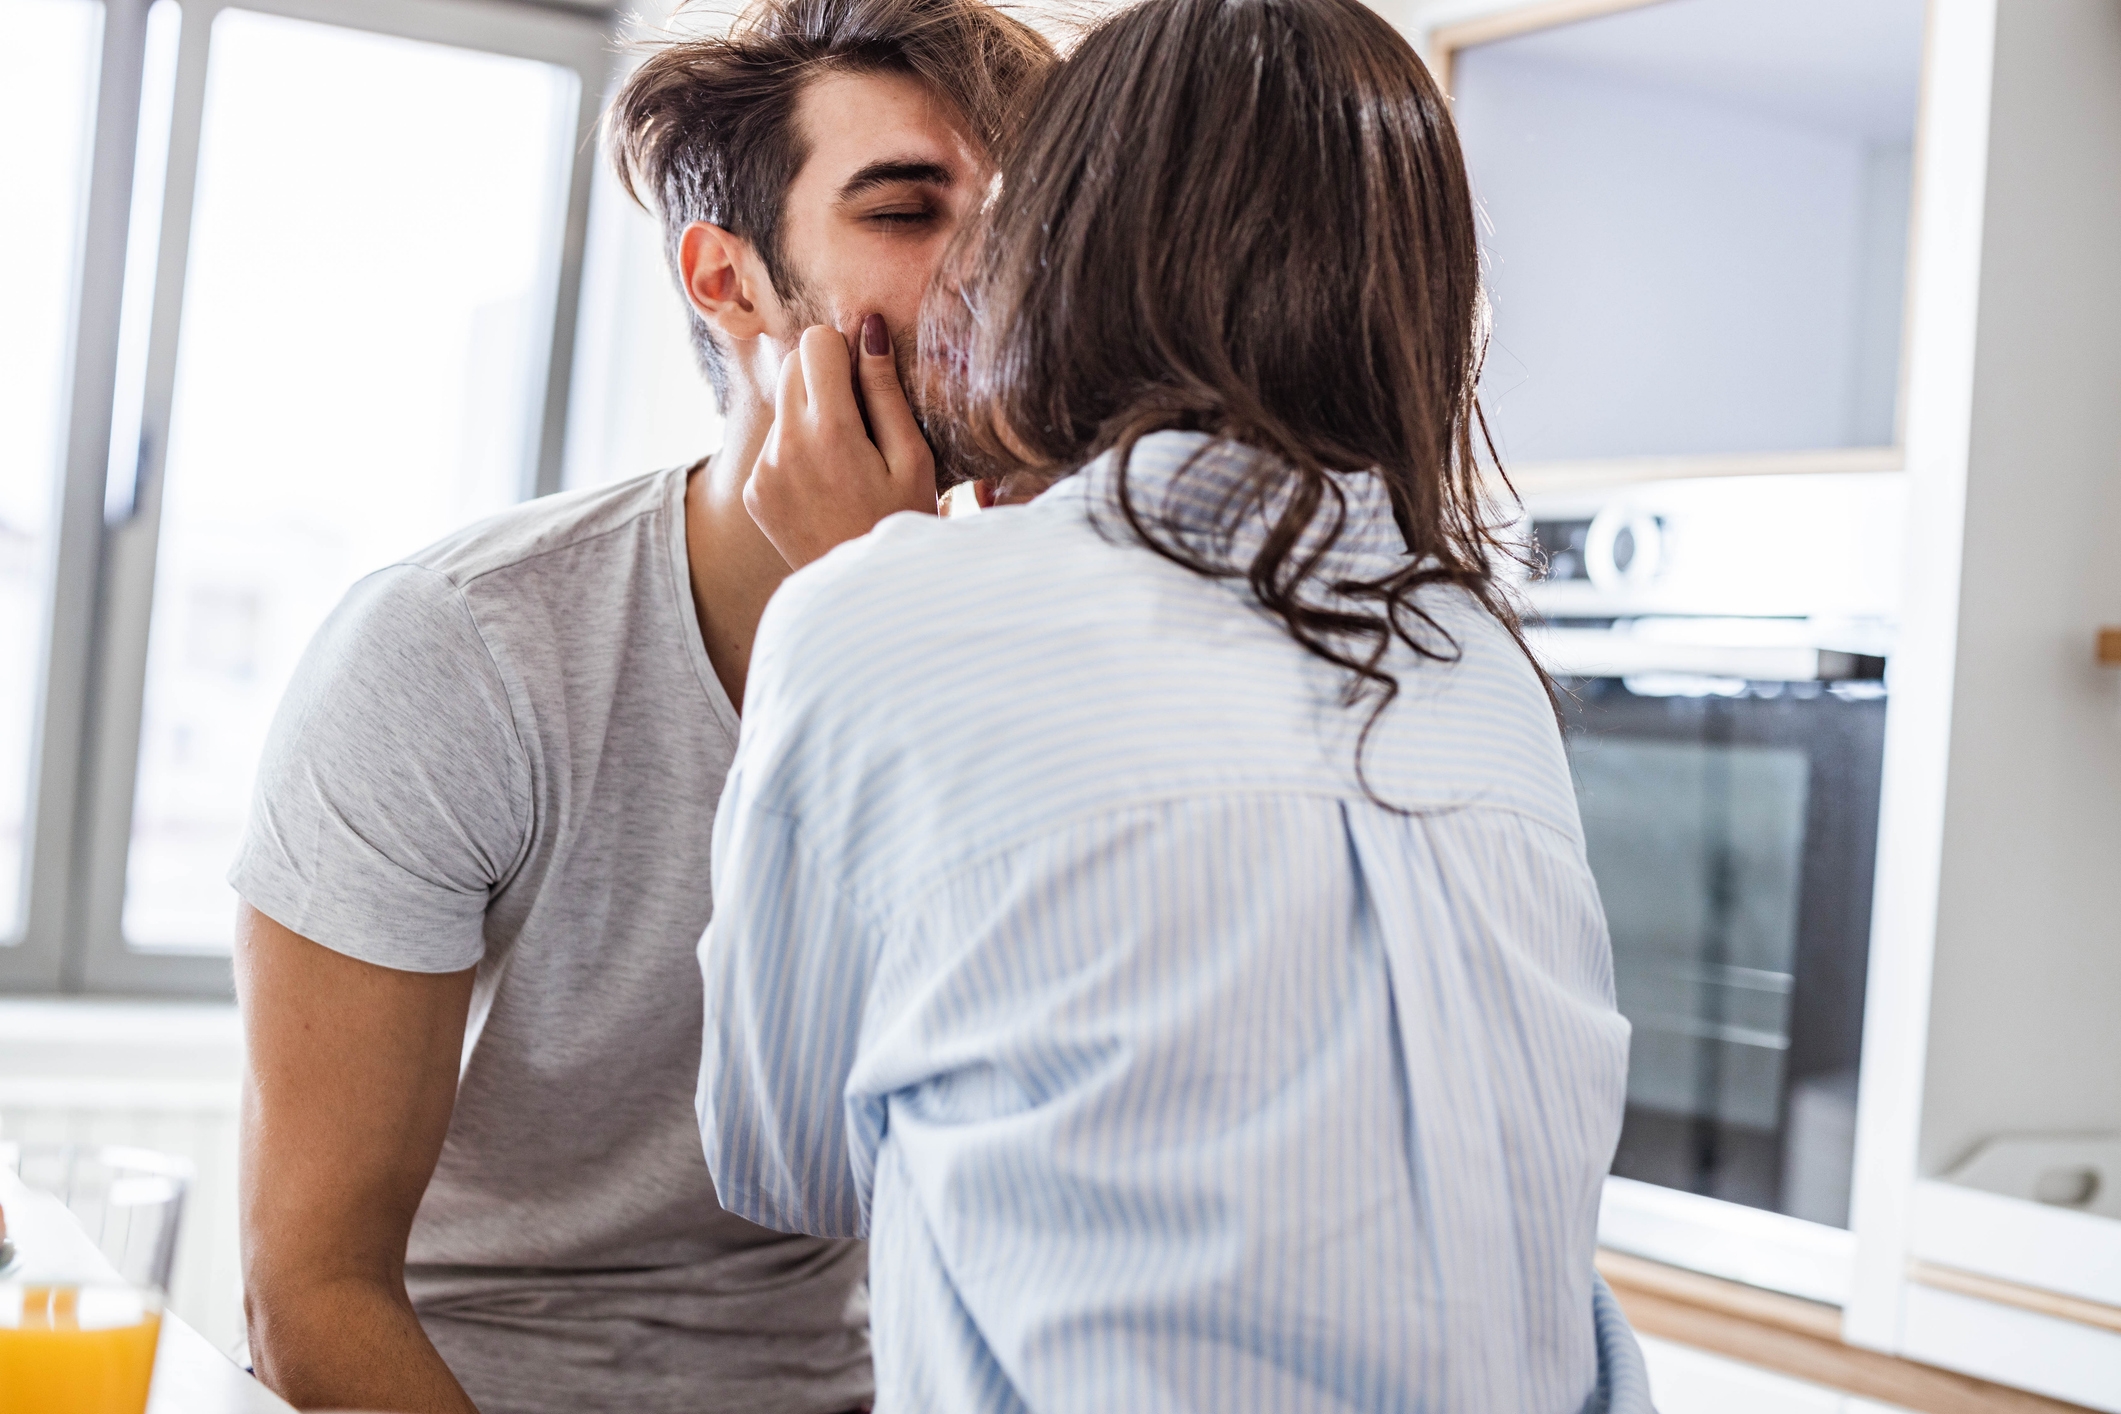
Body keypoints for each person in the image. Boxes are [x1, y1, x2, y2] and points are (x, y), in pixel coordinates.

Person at [696, 0, 1655, 1407]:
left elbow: (786, 1163)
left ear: (1059, 246)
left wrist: (869, 582)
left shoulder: (874, 617)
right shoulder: (1479, 656)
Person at [227, 2, 1051, 1410]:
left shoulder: (1049, 649)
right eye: (908, 211)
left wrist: (895, 622)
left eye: (1023, 220)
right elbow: (310, 1293)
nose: (995, 274)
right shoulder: (460, 652)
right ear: (727, 277)